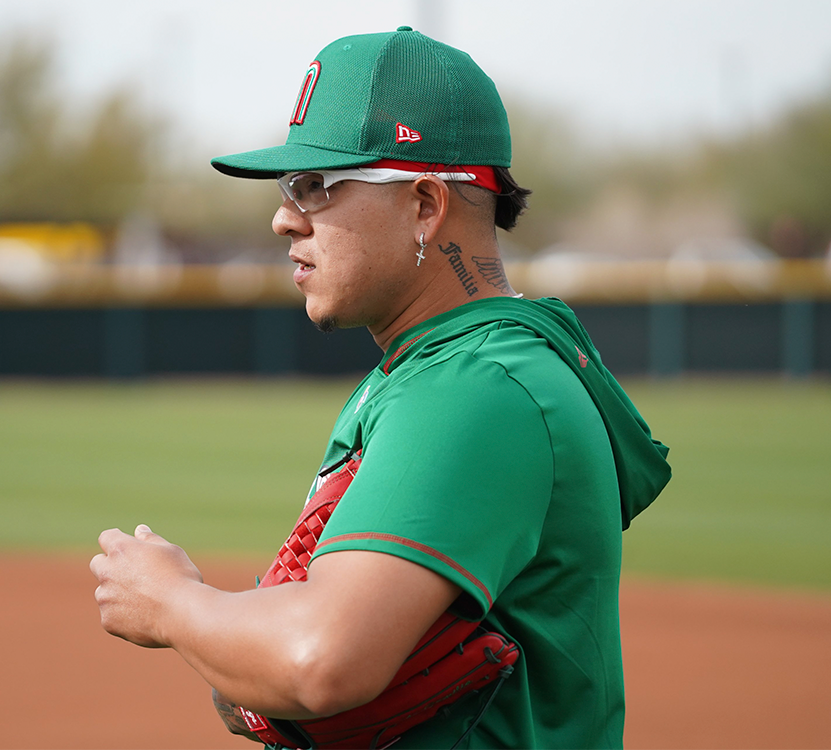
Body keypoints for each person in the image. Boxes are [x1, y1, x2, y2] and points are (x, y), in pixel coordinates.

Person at [90, 27, 671, 749]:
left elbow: (320, 665)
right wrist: (252, 667)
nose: (283, 217)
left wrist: (174, 603)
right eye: (287, 187)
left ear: (426, 204)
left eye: (317, 186)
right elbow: (283, 679)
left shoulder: (477, 385)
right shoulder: (435, 372)